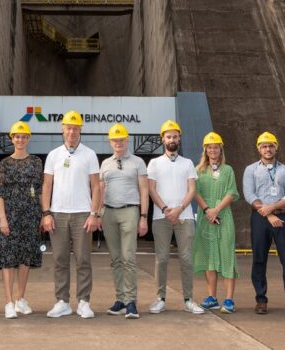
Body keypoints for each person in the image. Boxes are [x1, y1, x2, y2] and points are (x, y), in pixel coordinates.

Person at [41, 110, 101, 318]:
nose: (72, 132)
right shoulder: (53, 155)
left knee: (83, 259)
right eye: (69, 127)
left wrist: (94, 213)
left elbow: (96, 187)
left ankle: (84, 301)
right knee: (59, 259)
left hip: (83, 214)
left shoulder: (90, 154)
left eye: (76, 128)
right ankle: (62, 301)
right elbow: (47, 186)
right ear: (62, 129)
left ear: (80, 130)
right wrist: (46, 213)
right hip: (57, 214)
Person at [243, 131, 285, 316]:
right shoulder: (251, 170)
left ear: (276, 147)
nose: (268, 149)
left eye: (271, 145)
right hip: (259, 218)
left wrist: (272, 208)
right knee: (259, 260)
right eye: (264, 146)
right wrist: (267, 213)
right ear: (258, 149)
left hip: (283, 217)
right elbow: (249, 194)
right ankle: (261, 300)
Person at [147, 120, 205, 315]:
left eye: (175, 136)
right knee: (161, 259)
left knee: (187, 259)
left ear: (179, 138)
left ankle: (188, 299)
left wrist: (179, 209)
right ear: (163, 139)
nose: (172, 139)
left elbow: (192, 189)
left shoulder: (188, 163)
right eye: (168, 136)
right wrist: (165, 209)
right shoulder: (154, 163)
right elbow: (151, 189)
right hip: (160, 217)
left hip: (185, 217)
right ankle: (160, 299)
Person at [0, 121, 43, 319]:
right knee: (7, 258)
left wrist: (43, 214)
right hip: (10, 214)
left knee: (25, 258)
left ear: (28, 139)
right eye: (17, 136)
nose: (20, 140)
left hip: (30, 214)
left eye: (24, 136)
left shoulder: (36, 162)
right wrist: (2, 219)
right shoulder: (5, 163)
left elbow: (39, 190)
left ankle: (21, 299)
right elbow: (0, 193)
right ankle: (8, 302)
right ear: (11, 139)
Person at [100, 123, 149, 319]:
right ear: (110, 142)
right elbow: (100, 191)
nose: (118, 143)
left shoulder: (138, 162)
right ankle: (120, 299)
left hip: (130, 211)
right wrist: (98, 213)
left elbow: (144, 190)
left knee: (128, 257)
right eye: (114, 140)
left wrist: (143, 217)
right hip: (109, 213)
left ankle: (130, 302)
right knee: (116, 259)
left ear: (127, 141)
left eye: (121, 139)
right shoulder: (105, 164)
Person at [193, 132, 239, 314]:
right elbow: (194, 192)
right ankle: (212, 297)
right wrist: (207, 210)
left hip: (224, 216)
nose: (213, 150)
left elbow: (232, 192)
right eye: (209, 147)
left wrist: (216, 210)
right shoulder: (198, 171)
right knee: (209, 256)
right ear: (205, 149)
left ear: (221, 149)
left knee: (227, 256)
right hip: (205, 218)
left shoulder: (228, 170)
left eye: (216, 147)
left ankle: (229, 300)